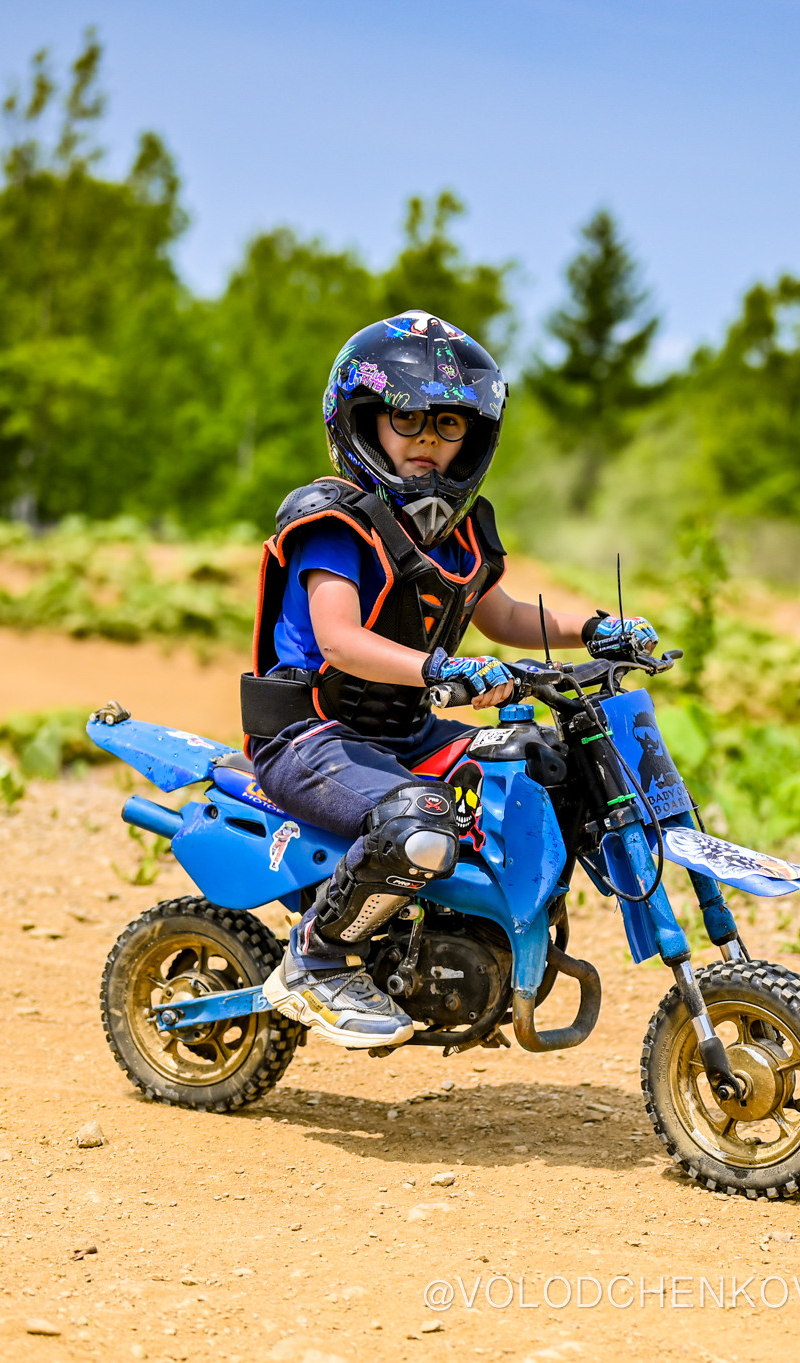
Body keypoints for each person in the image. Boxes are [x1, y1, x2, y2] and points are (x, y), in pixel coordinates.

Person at [244, 309, 658, 1048]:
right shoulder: (334, 522)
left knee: (537, 765)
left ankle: (473, 944)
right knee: (420, 822)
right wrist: (442, 669)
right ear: (364, 423)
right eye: (408, 420)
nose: (429, 442)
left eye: (449, 424)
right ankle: (316, 957)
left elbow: (499, 615)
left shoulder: (461, 530)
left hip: (404, 730)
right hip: (313, 735)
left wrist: (593, 629)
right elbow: (338, 639)